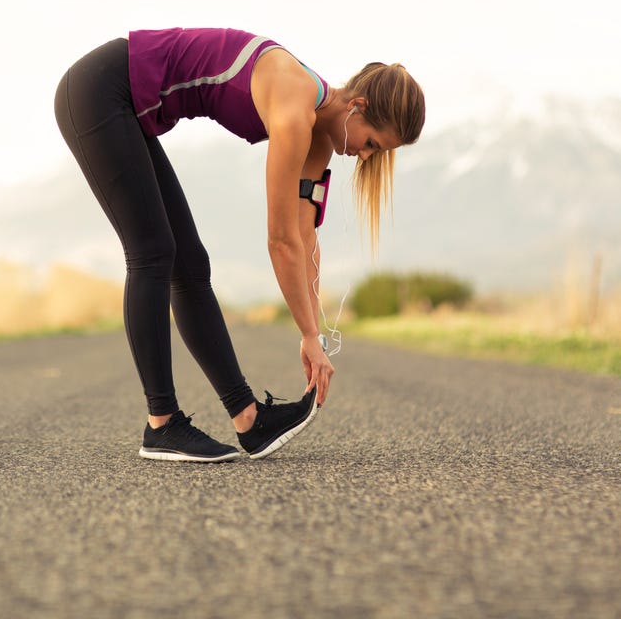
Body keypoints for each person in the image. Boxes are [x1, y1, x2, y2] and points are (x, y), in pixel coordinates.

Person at [53, 28, 425, 462]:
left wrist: (316, 335)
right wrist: (305, 334)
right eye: (371, 144)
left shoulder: (320, 130)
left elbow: (305, 237)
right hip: (98, 91)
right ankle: (162, 424)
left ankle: (249, 419)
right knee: (153, 252)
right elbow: (280, 240)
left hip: (121, 103)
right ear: (358, 106)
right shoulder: (295, 110)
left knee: (190, 266)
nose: (364, 157)